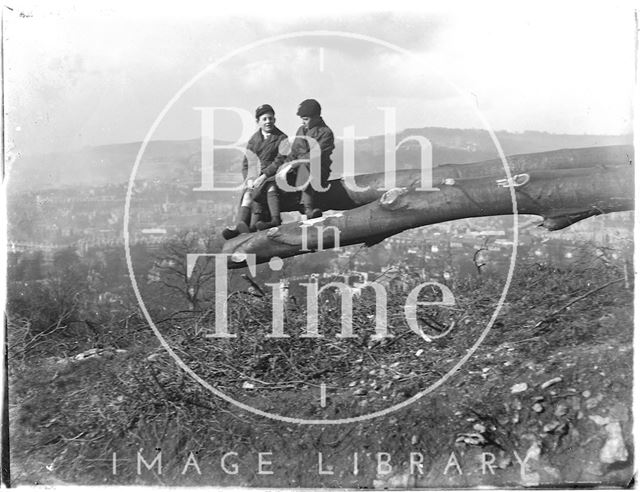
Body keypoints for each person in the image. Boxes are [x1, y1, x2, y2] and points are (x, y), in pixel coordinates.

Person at [222, 104, 287, 240]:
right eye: (264, 119)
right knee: (247, 195)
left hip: (274, 174)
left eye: (270, 118)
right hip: (256, 176)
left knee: (270, 187)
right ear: (258, 122)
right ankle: (240, 225)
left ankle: (276, 219)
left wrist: (264, 176)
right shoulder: (254, 140)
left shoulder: (281, 138)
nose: (268, 121)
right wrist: (249, 179)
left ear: (274, 120)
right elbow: (247, 162)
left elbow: (280, 160)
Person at [278, 98, 334, 219]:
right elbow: (294, 153)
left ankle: (307, 208)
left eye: (306, 119)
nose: (303, 122)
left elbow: (314, 156)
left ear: (316, 117)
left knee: (305, 166)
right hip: (298, 168)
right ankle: (262, 218)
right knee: (272, 178)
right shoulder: (301, 130)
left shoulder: (326, 133)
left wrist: (293, 164)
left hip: (318, 170)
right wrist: (284, 166)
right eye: (302, 119)